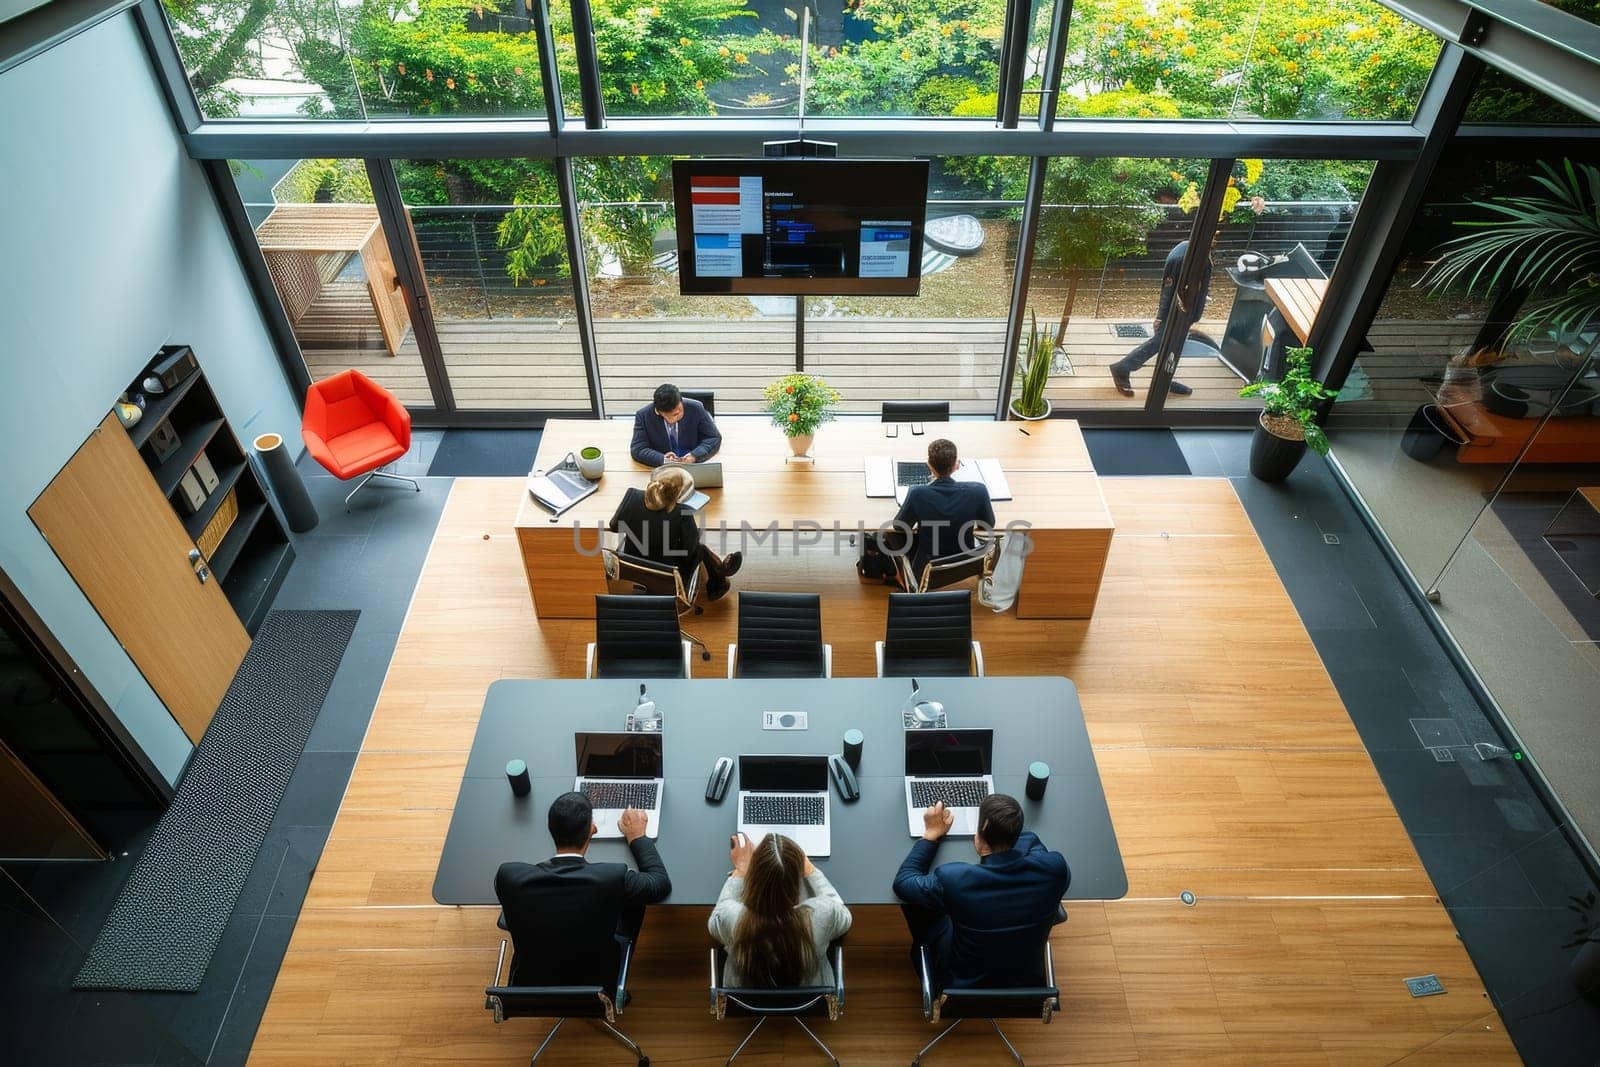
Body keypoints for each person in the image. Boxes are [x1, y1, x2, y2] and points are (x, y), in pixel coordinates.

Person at [494, 791, 671, 995]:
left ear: (550, 828)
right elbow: (660, 883)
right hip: (598, 988)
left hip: (530, 988)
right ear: (592, 830)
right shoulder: (612, 879)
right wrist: (637, 837)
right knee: (634, 903)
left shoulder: (509, 877)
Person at [892, 794, 1071, 990]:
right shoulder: (1055, 869)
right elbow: (1033, 846)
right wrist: (1007, 824)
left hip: (957, 985)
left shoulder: (955, 881)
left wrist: (931, 834)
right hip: (1024, 982)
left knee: (915, 906)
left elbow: (904, 882)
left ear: (980, 835)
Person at [708, 832, 853, 988]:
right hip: (808, 1006)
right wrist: (809, 868)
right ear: (796, 884)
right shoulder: (822, 915)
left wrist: (741, 869)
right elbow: (842, 913)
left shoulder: (731, 919)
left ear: (754, 878)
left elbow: (718, 914)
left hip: (747, 1007)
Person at [609, 466, 742, 599]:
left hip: (632, 567)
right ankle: (718, 579)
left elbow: (614, 526)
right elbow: (689, 551)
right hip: (667, 573)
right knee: (700, 548)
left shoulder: (633, 495)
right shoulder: (683, 513)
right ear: (677, 495)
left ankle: (719, 573)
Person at [1109, 236, 1216, 399]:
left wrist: (1195, 315)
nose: (1214, 241)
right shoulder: (1182, 259)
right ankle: (1122, 368)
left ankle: (1164, 379)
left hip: (1187, 310)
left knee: (1174, 343)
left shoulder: (1198, 253)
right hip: (1176, 309)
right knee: (1162, 341)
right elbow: (1169, 287)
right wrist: (1161, 316)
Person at [889, 438, 995, 585]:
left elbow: (899, 526)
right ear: (956, 465)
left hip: (927, 571)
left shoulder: (917, 493)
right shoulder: (978, 490)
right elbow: (988, 524)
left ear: (929, 465)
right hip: (965, 565)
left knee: (888, 536)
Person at [631, 383, 722, 466]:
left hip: (693, 466)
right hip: (662, 470)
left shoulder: (696, 408)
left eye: (677, 414)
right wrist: (663, 459)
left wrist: (694, 455)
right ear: (658, 412)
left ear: (681, 402)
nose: (673, 419)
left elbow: (713, 438)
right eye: (668, 416)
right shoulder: (643, 415)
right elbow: (638, 448)